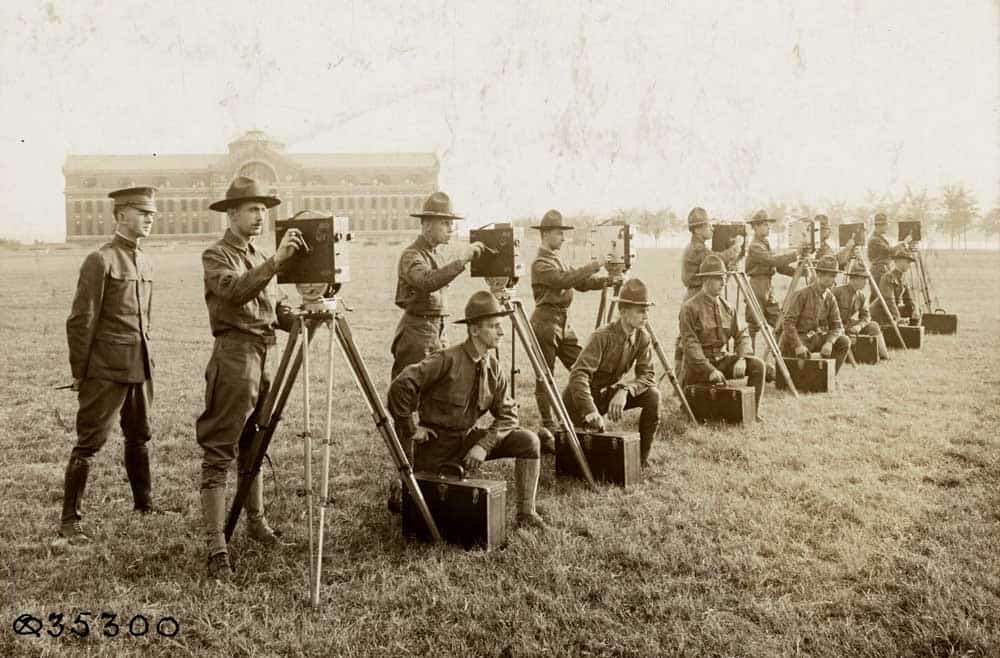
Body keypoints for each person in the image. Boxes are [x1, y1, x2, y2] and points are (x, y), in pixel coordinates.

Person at [195, 176, 308, 580]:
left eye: (263, 209)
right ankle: (216, 546)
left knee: (256, 445)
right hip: (235, 358)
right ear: (231, 213)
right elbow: (238, 292)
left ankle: (256, 522)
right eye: (252, 209)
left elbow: (272, 307)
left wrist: (300, 317)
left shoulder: (259, 254)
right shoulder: (216, 255)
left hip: (264, 356)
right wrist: (276, 263)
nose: (261, 216)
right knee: (220, 452)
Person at [388, 291, 547, 529]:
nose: (501, 332)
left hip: (467, 440)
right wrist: (411, 428)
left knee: (529, 441)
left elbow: (508, 415)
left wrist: (483, 445)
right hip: (436, 447)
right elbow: (401, 385)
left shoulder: (493, 367)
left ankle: (526, 513)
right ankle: (401, 486)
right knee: (431, 510)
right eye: (494, 326)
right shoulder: (446, 360)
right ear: (474, 330)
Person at [60, 187, 161, 542]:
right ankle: (70, 521)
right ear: (120, 215)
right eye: (143, 212)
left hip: (139, 365)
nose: (151, 218)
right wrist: (80, 372)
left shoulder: (146, 260)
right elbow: (81, 320)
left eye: (152, 212)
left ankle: (144, 505)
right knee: (89, 442)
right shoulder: (100, 260)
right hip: (105, 369)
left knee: (139, 436)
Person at [388, 191, 484, 510]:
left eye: (450, 224)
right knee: (408, 403)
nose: (449, 230)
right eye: (444, 224)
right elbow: (427, 282)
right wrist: (463, 260)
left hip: (432, 331)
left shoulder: (431, 253)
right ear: (427, 224)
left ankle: (424, 473)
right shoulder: (412, 255)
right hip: (417, 333)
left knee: (431, 403)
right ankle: (402, 482)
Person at [529, 209, 614, 450]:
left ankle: (576, 413)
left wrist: (608, 280)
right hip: (545, 322)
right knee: (544, 377)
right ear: (545, 234)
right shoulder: (541, 263)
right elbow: (563, 281)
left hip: (563, 322)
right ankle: (547, 427)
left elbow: (581, 283)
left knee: (582, 366)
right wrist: (594, 265)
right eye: (559, 233)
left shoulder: (557, 260)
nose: (564, 238)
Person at [563, 279, 660, 468]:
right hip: (580, 401)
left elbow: (648, 375)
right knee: (580, 461)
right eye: (640, 310)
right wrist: (590, 411)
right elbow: (578, 376)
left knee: (653, 396)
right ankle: (553, 437)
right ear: (623, 311)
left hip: (607, 395)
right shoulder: (602, 337)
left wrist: (625, 390)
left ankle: (641, 460)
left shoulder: (642, 338)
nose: (646, 315)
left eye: (647, 310)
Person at [678, 255, 766, 419]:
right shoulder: (689, 308)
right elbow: (691, 346)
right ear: (705, 280)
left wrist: (742, 357)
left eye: (724, 278)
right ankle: (690, 404)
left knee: (757, 365)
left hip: (722, 361)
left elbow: (742, 335)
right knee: (695, 408)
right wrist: (709, 370)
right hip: (698, 368)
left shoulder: (728, 307)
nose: (723, 282)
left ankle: (752, 412)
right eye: (718, 278)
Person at [778, 255, 851, 373]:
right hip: (797, 340)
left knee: (844, 341)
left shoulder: (830, 297)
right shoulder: (802, 295)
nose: (831, 279)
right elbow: (788, 324)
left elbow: (837, 327)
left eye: (833, 276)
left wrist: (829, 342)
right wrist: (798, 345)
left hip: (815, 338)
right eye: (827, 275)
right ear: (819, 275)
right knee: (799, 374)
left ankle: (830, 376)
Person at [744, 210, 798, 343]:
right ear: (756, 227)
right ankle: (748, 360)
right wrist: (795, 254)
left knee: (779, 322)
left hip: (767, 287)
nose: (768, 227)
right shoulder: (755, 246)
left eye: (768, 224)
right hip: (757, 286)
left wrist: (799, 272)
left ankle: (782, 358)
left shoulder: (764, 243)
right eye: (764, 224)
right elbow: (772, 260)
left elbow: (778, 266)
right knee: (753, 325)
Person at [832, 262, 890, 360]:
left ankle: (884, 356)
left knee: (873, 325)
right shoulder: (837, 292)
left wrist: (859, 326)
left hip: (848, 326)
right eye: (864, 279)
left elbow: (866, 316)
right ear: (855, 279)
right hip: (834, 327)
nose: (865, 282)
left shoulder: (860, 295)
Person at [871, 245, 917, 325]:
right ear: (899, 261)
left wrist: (915, 309)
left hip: (892, 311)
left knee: (913, 309)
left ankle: (912, 332)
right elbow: (889, 301)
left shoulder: (903, 278)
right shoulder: (888, 277)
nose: (909, 265)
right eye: (908, 262)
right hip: (881, 312)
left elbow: (908, 300)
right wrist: (898, 318)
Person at [866, 213, 912, 293]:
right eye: (886, 225)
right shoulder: (874, 240)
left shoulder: (880, 238)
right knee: (879, 297)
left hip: (883, 269)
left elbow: (892, 254)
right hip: (878, 271)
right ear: (879, 226)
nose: (887, 227)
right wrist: (904, 243)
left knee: (884, 296)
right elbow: (890, 251)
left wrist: (907, 247)